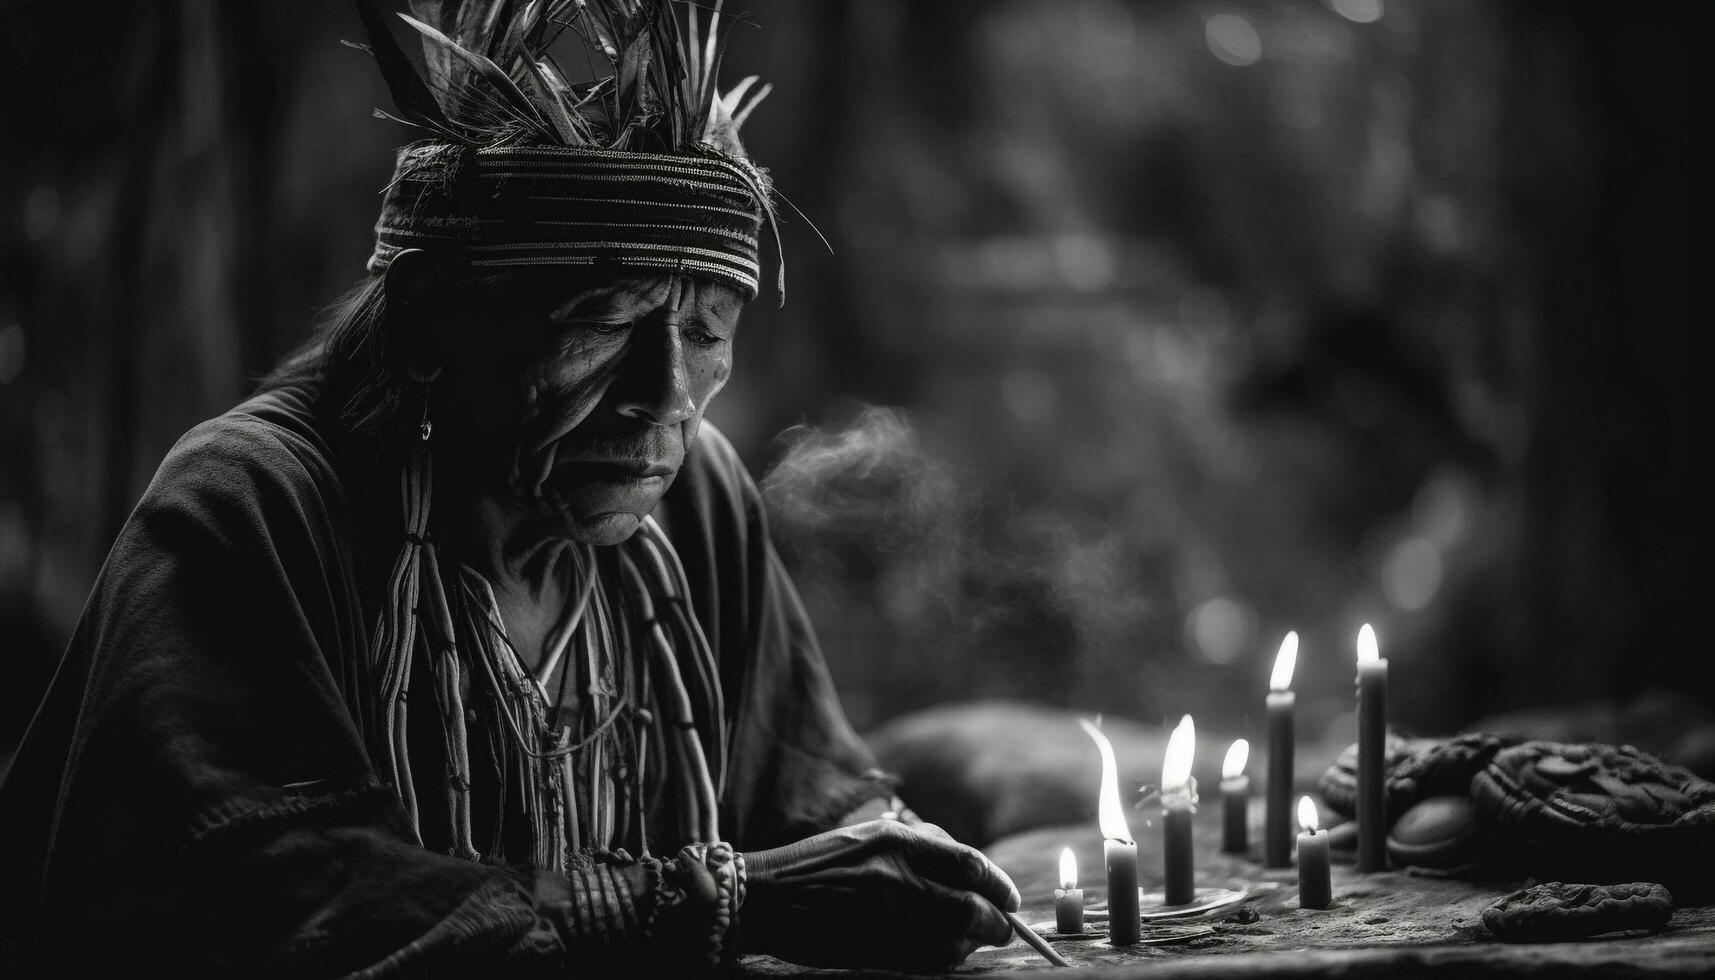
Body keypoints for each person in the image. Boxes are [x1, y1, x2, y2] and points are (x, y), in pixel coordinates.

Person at [0, 2, 1018, 974]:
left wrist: (890, 860)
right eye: (604, 319)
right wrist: (715, 902)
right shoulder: (252, 508)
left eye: (704, 331)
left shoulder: (693, 497)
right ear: (435, 321)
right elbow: (273, 908)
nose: (663, 397)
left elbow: (812, 799)